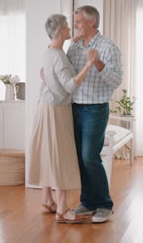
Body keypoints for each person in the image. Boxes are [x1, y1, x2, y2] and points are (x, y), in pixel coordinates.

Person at [27, 14, 98, 223]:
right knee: (62, 157)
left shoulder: (50, 50)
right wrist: (89, 63)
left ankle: (47, 199)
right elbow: (70, 85)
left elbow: (49, 72)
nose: (71, 29)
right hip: (57, 110)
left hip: (45, 106)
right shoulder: (57, 56)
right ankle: (62, 209)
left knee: (47, 153)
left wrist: (73, 41)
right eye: (68, 27)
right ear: (59, 31)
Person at [67, 5, 123, 223]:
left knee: (90, 157)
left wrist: (98, 63)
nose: (76, 25)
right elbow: (70, 76)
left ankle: (105, 205)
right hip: (74, 107)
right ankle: (88, 202)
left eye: (79, 21)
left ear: (91, 22)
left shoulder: (109, 47)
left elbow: (116, 81)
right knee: (80, 158)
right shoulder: (74, 47)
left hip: (95, 108)